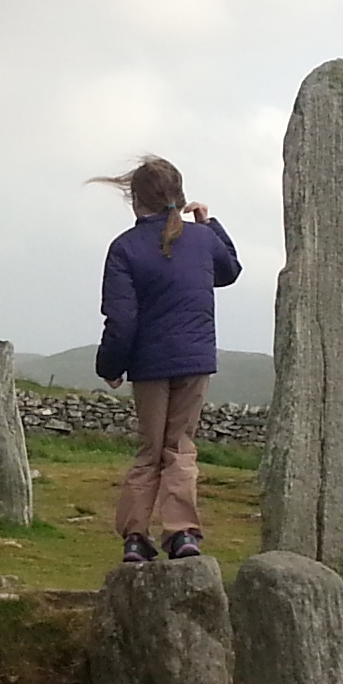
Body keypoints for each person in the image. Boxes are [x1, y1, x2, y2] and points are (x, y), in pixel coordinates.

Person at [93, 156, 240, 562]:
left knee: (150, 451)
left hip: (149, 364)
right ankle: (182, 534)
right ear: (180, 195)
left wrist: (110, 366)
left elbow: (121, 318)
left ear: (135, 199)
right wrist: (209, 224)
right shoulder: (201, 239)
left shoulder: (124, 248)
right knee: (180, 448)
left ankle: (136, 538)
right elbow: (229, 271)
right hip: (194, 360)